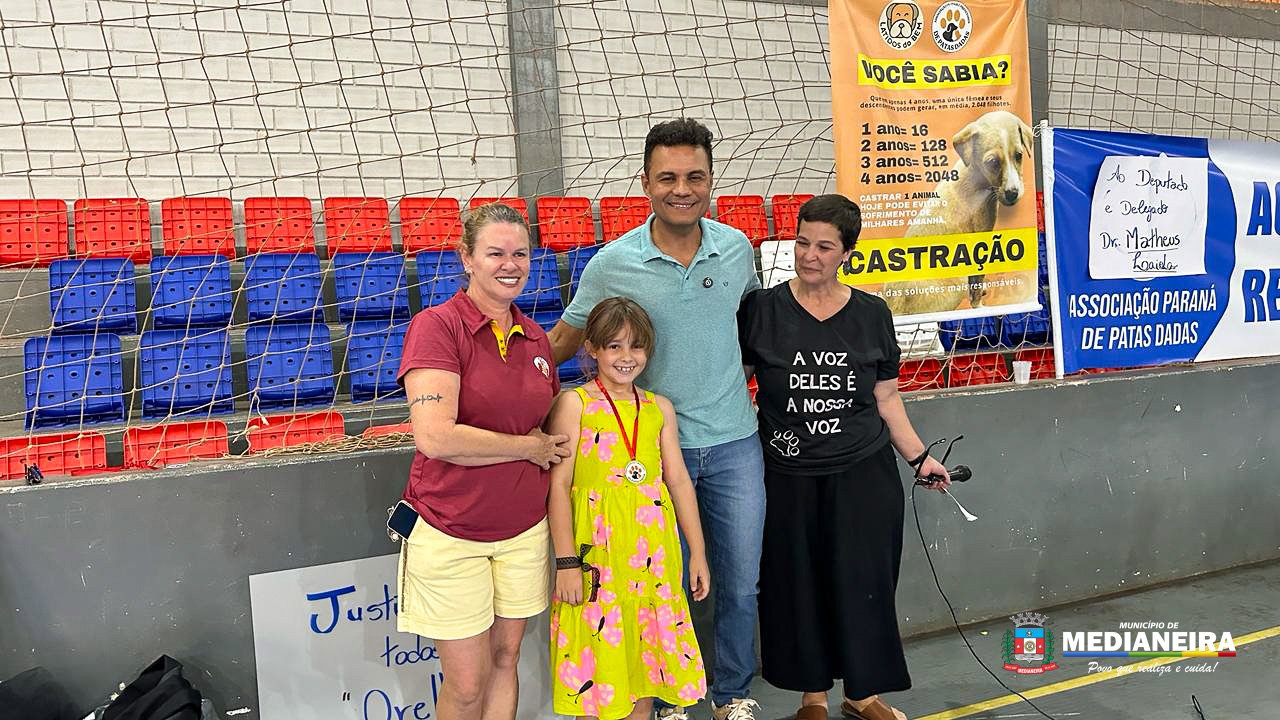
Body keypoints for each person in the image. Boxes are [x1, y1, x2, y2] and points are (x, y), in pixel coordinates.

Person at [548, 118, 766, 720]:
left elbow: (753, 329)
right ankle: (669, 694)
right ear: (645, 183)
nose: (682, 189)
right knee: (659, 583)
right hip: (645, 455)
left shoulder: (737, 250)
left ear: (711, 180)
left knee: (739, 581)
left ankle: (731, 694)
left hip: (734, 442)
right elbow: (564, 341)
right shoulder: (611, 263)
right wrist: (503, 383)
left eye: (695, 176)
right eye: (667, 177)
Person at [737, 194, 951, 720]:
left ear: (847, 253)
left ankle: (862, 695)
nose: (809, 255)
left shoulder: (872, 314)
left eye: (824, 247)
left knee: (863, 584)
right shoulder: (761, 309)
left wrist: (919, 457)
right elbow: (734, 387)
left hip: (862, 473)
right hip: (787, 473)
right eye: (802, 242)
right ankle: (812, 697)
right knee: (798, 586)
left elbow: (887, 398)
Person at [395, 202, 573, 720]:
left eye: (521, 254)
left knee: (506, 659)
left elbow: (547, 424)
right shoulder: (437, 327)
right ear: (467, 258)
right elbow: (435, 436)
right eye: (495, 253)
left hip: (522, 531)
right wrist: (527, 448)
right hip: (452, 530)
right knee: (467, 684)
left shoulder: (535, 337)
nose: (510, 265)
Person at [545, 297, 711, 720]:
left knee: (645, 666)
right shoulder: (575, 404)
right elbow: (559, 486)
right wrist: (566, 562)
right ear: (592, 349)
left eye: (636, 346)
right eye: (614, 346)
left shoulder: (658, 408)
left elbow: (678, 481)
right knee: (596, 668)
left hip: (653, 558)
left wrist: (697, 552)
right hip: (597, 560)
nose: (626, 357)